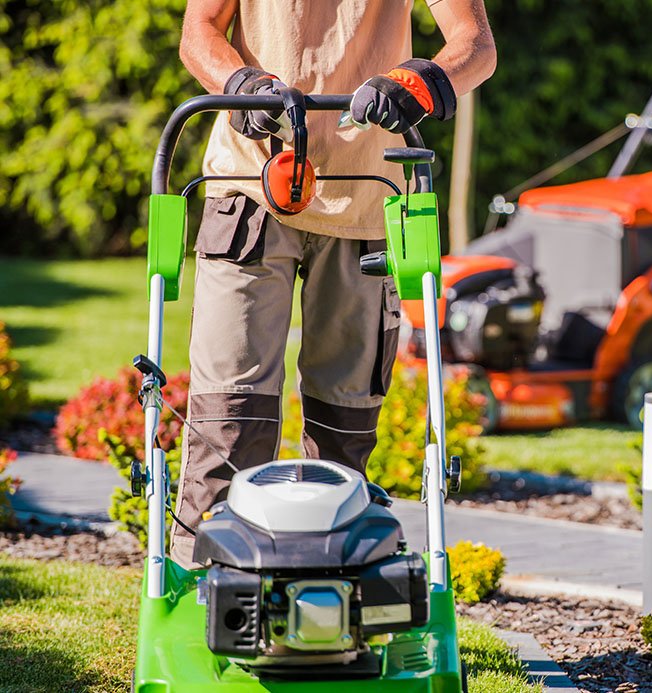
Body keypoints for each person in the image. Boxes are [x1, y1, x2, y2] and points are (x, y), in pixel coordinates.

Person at [171, 0, 496, 567]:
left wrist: (417, 83)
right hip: (251, 185)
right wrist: (240, 85)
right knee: (229, 414)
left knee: (343, 426)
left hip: (367, 196)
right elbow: (199, 32)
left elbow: (475, 45)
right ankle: (201, 579)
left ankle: (333, 580)